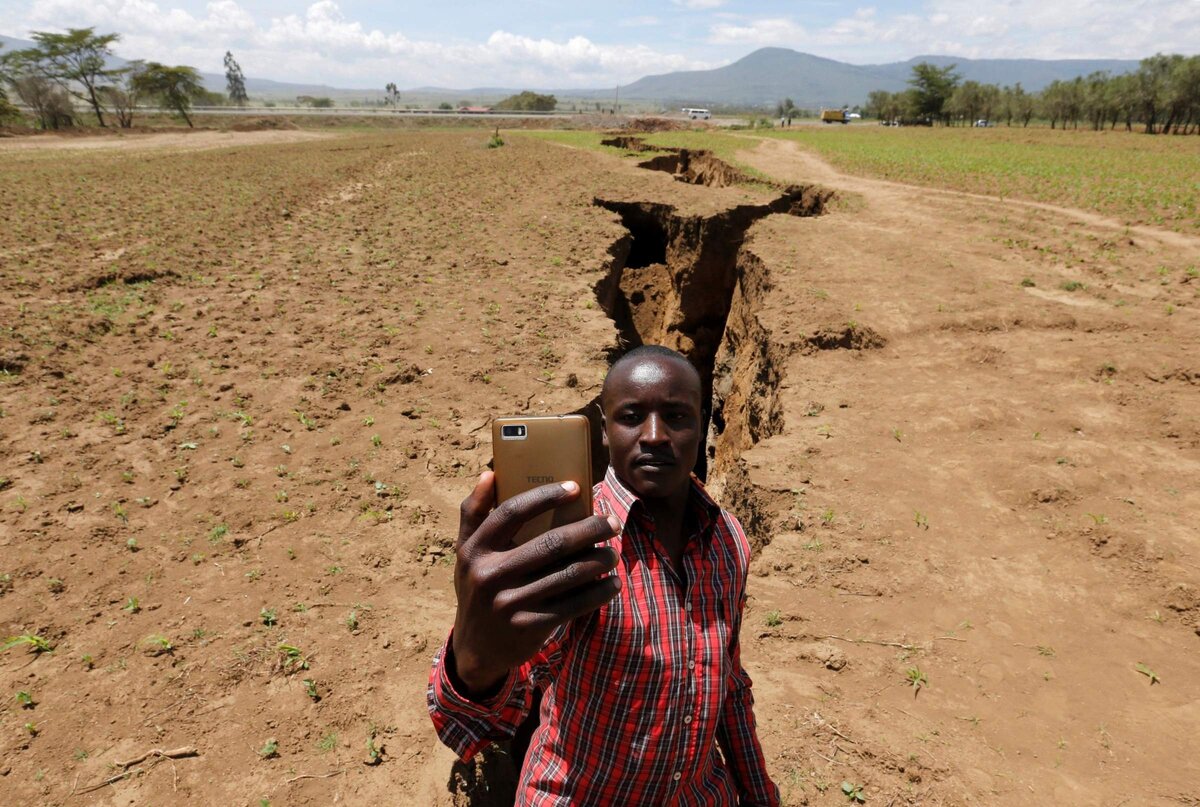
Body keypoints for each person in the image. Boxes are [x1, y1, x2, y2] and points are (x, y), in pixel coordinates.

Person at [427, 345, 780, 806]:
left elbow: (729, 681)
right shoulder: (577, 544)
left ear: (702, 427)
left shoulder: (728, 539)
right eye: (632, 416)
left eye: (676, 417)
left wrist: (759, 794)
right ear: (606, 431)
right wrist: (474, 664)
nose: (654, 436)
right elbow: (492, 711)